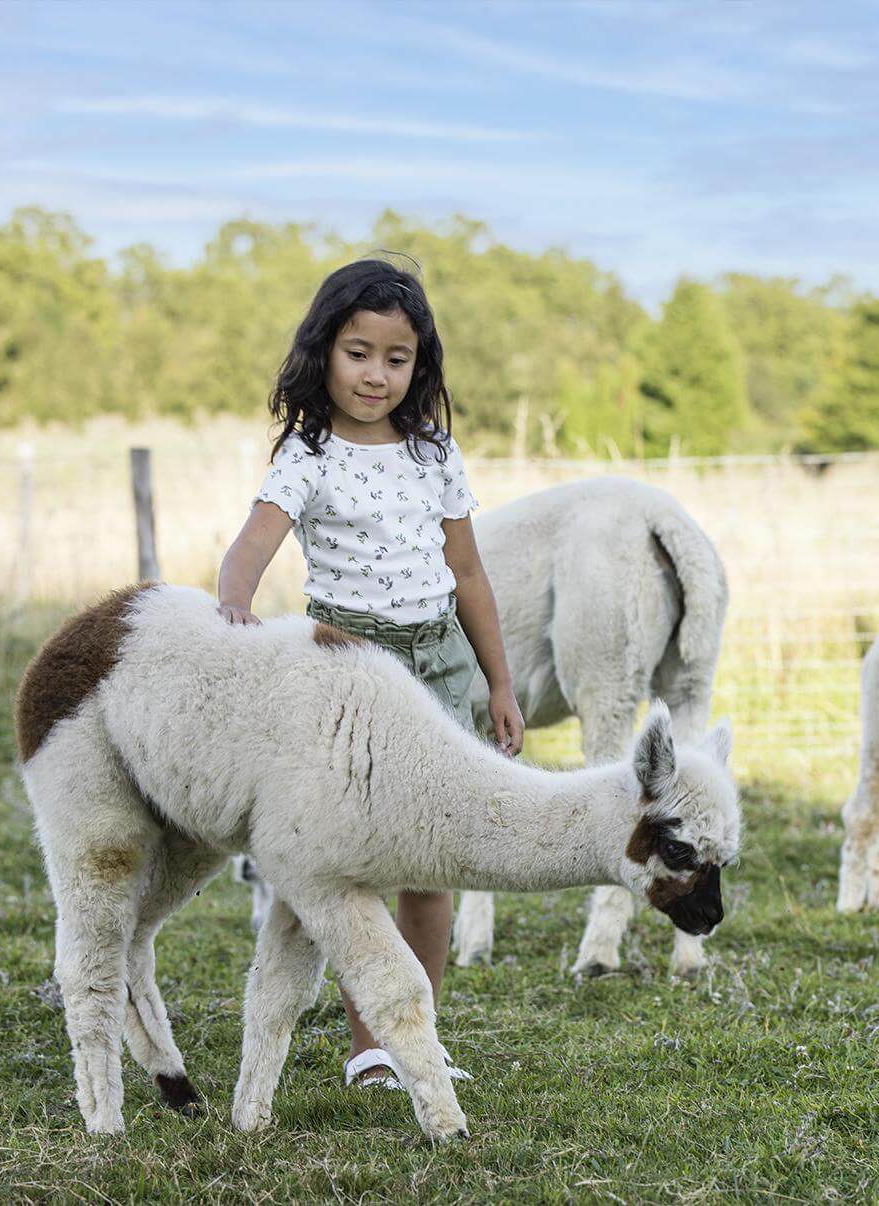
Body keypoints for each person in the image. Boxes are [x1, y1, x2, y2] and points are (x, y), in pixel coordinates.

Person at [215, 256, 525, 1089]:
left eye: (398, 358)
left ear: (419, 365)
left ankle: (417, 1036)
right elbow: (251, 545)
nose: (376, 374)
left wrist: (496, 683)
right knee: (362, 864)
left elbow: (468, 575)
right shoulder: (307, 454)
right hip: (348, 665)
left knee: (434, 863)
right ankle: (370, 1047)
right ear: (325, 350)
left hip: (439, 660)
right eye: (359, 352)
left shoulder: (434, 453)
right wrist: (235, 608)